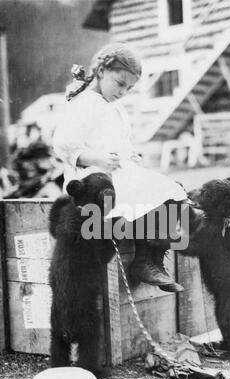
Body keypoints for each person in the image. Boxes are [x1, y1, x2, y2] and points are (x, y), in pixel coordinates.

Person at [53, 42, 187, 292]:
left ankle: (148, 259)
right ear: (102, 71)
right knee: (136, 191)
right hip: (91, 176)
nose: (123, 91)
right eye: (120, 83)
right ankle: (143, 257)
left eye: (129, 88)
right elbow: (63, 143)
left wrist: (130, 156)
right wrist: (96, 158)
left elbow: (121, 142)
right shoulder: (84, 103)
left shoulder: (115, 107)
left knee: (169, 189)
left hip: (118, 169)